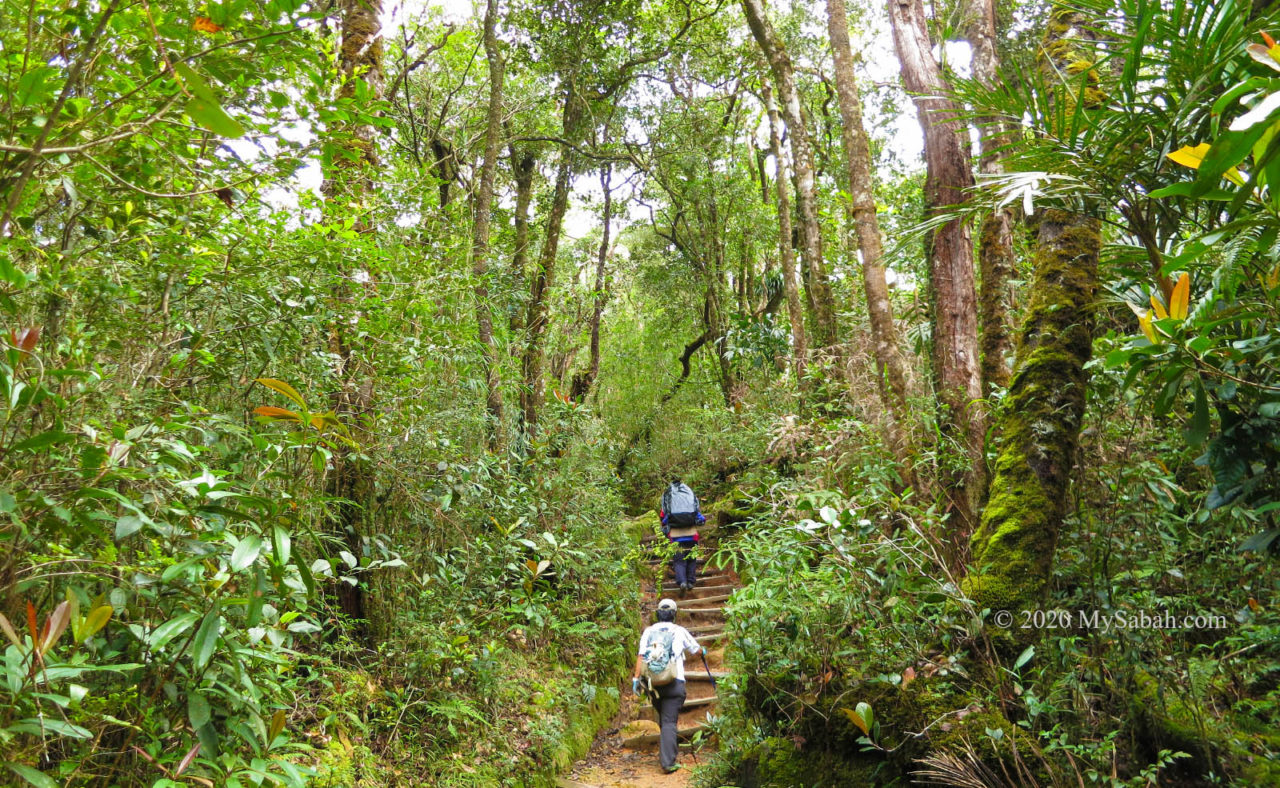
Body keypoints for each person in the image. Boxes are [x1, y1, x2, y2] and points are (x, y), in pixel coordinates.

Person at [632, 598, 704, 774]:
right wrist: (704, 651)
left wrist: (636, 679)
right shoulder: (679, 631)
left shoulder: (648, 631)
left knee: (665, 720)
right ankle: (668, 762)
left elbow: (641, 656)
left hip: (653, 684)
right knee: (669, 721)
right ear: (674, 614)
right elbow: (696, 649)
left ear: (658, 614)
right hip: (674, 682)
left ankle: (668, 751)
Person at [658, 476, 705, 592]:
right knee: (691, 559)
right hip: (692, 536)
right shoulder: (688, 499)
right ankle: (690, 582)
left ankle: (682, 581)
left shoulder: (669, 498)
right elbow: (701, 519)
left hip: (676, 538)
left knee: (679, 561)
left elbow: (663, 518)